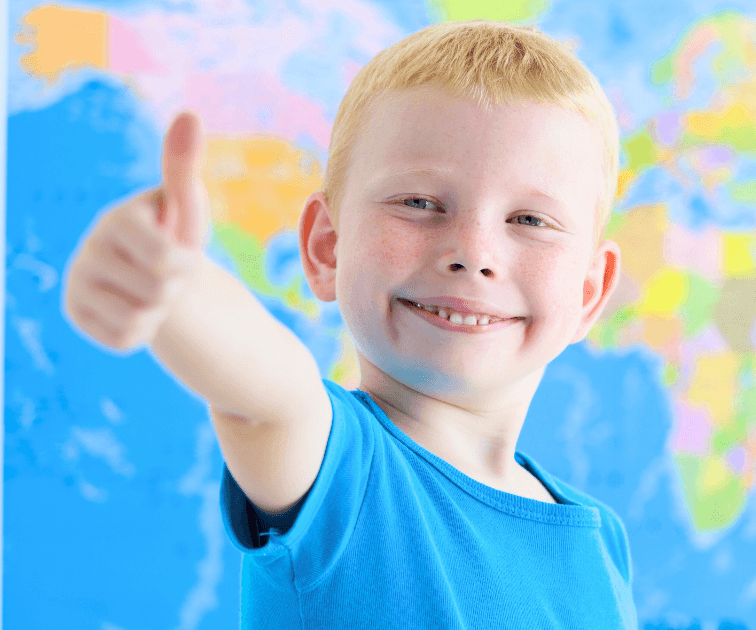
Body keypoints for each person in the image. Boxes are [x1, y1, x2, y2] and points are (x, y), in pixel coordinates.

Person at [62, 20, 634, 628]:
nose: (474, 251)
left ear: (590, 290)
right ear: (326, 247)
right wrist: (176, 289)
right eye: (419, 203)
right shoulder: (338, 470)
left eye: (529, 219)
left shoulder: (602, 539)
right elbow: (271, 395)